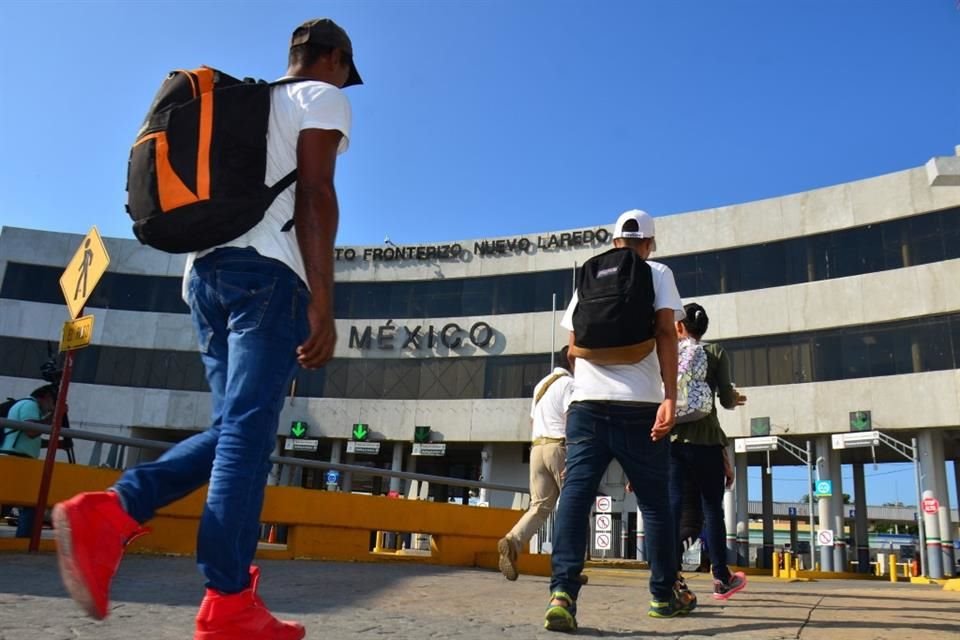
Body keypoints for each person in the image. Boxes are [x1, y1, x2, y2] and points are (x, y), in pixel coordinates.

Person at [51, 18, 361, 639]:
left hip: (204, 277)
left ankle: (117, 517)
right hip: (268, 278)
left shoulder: (248, 105)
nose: (344, 83)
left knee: (232, 430)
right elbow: (316, 193)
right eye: (344, 72)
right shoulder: (320, 98)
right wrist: (324, 302)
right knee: (247, 435)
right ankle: (224, 597)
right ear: (330, 59)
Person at [544, 209, 685, 633]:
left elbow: (572, 346)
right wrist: (670, 397)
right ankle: (662, 596)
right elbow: (666, 333)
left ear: (614, 242)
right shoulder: (658, 272)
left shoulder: (590, 275)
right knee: (655, 504)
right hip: (640, 406)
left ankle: (562, 594)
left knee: (576, 496)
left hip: (586, 406)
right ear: (650, 243)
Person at [669, 303, 747, 602]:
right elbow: (725, 400)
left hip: (673, 442)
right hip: (708, 443)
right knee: (712, 510)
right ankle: (721, 578)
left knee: (674, 508)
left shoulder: (668, 351)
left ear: (679, 326)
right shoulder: (715, 352)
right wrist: (733, 398)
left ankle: (668, 575)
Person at [498, 346, 575, 581]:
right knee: (575, 506)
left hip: (537, 448)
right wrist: (574, 454)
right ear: (573, 361)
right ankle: (569, 568)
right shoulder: (569, 384)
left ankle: (512, 541)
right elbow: (571, 419)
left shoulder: (541, 385)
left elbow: (533, 421)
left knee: (539, 506)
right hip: (559, 448)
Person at [1, 384, 57, 537]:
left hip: (17, 457)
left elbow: (28, 437)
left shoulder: (24, 405)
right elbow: (32, 431)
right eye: (52, 404)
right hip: (18, 459)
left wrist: (53, 444)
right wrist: (54, 417)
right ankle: (24, 540)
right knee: (30, 504)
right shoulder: (30, 405)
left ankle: (24, 539)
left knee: (16, 502)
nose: (51, 408)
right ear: (46, 397)